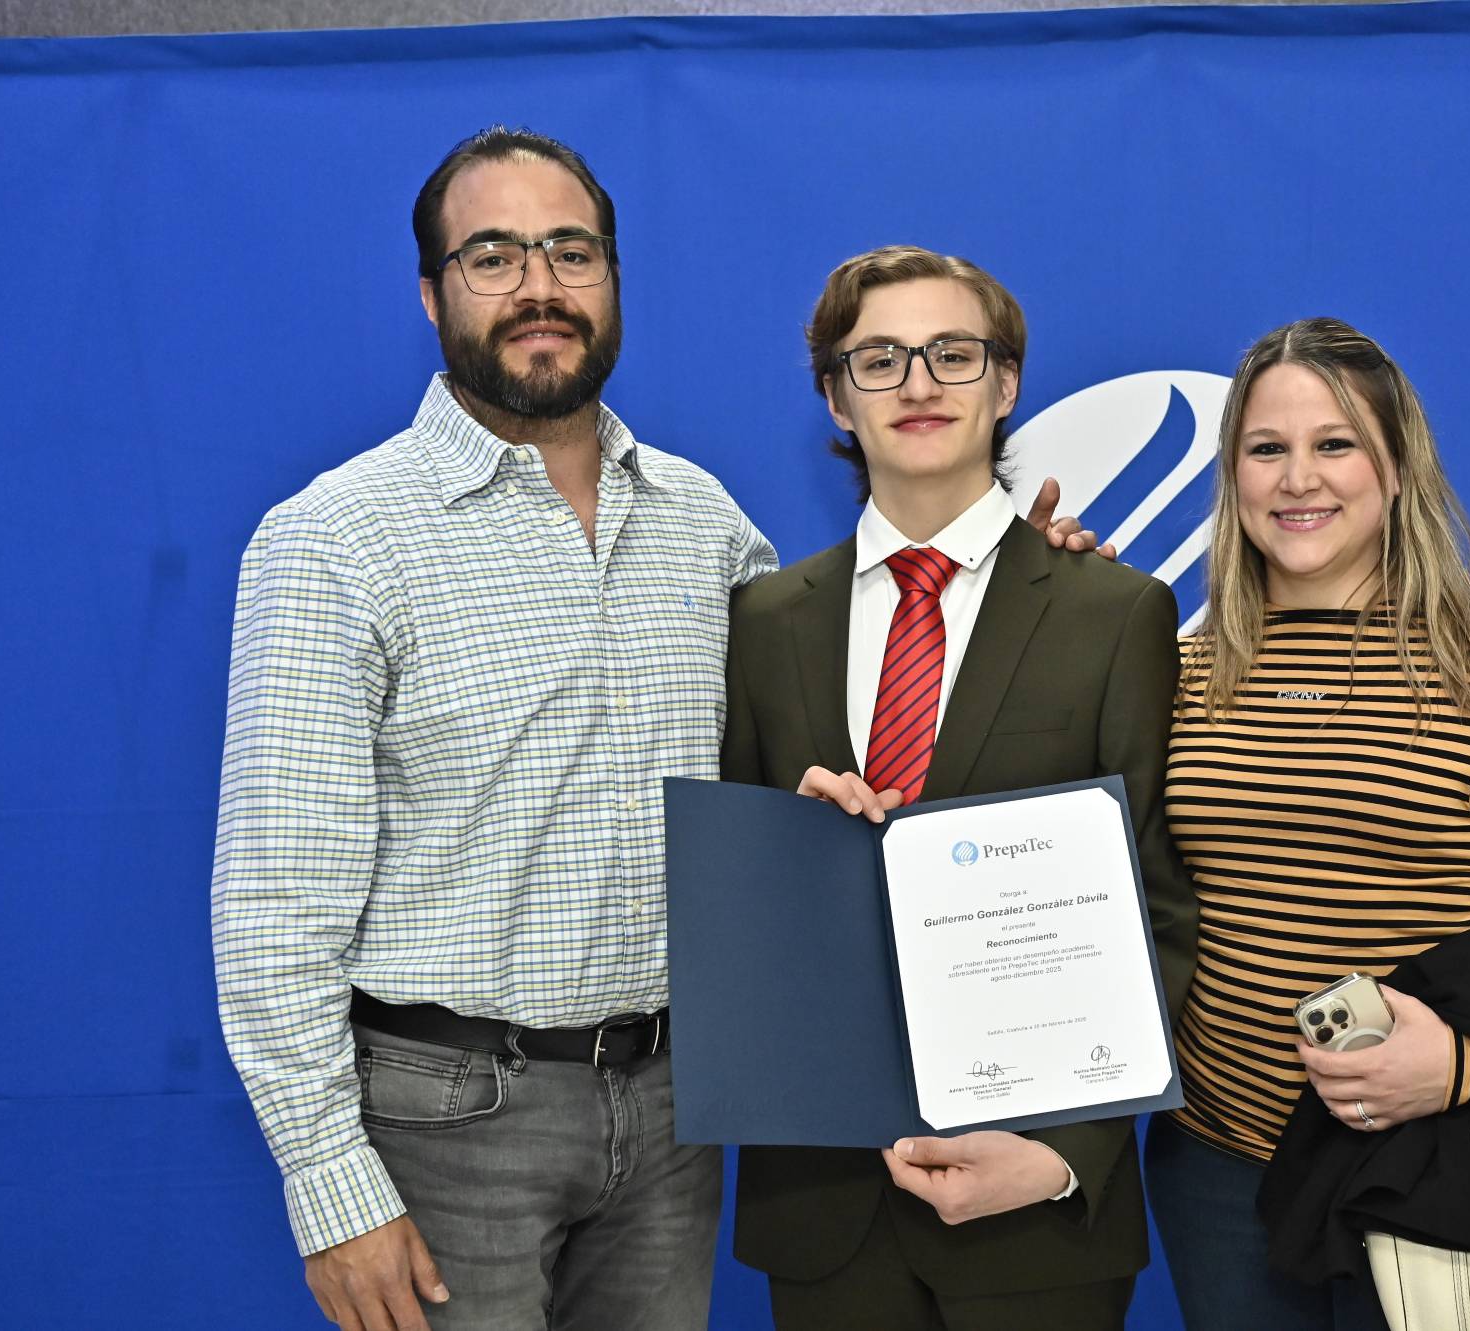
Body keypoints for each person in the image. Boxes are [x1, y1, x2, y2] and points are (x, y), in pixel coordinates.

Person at [211, 133, 1095, 1331]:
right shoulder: (335, 541)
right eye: (492, 255)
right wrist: (330, 1187)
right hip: (449, 1117)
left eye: (569, 251)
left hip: (678, 1104)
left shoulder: (703, 521)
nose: (538, 284)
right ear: (430, 294)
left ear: (611, 279)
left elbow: (831, 739)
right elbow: (274, 901)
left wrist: (1026, 586)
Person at [721, 244, 1198, 1330]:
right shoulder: (764, 621)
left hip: (1037, 1207)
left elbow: (1157, 909)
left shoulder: (1116, 614)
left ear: (1005, 382)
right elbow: (737, 912)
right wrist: (785, 859)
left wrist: (1064, 1155)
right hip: (825, 1204)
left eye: (952, 352)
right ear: (835, 400)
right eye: (879, 359)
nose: (920, 383)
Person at [1143, 317, 1470, 1329]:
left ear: (1396, 467)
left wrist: (1462, 1064)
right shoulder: (1177, 675)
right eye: (1265, 449)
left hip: (1432, 1160)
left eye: (1335, 444)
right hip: (1215, 1164)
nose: (1296, 478)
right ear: (1231, 476)